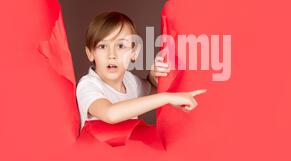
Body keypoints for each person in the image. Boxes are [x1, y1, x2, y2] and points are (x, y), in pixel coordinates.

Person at [76, 11, 206, 129]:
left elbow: (151, 91)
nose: (112, 54)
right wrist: (167, 97)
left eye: (121, 46)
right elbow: (110, 114)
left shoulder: (129, 80)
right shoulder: (88, 85)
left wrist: (154, 76)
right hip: (97, 153)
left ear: (134, 53)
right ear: (90, 53)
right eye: (102, 46)